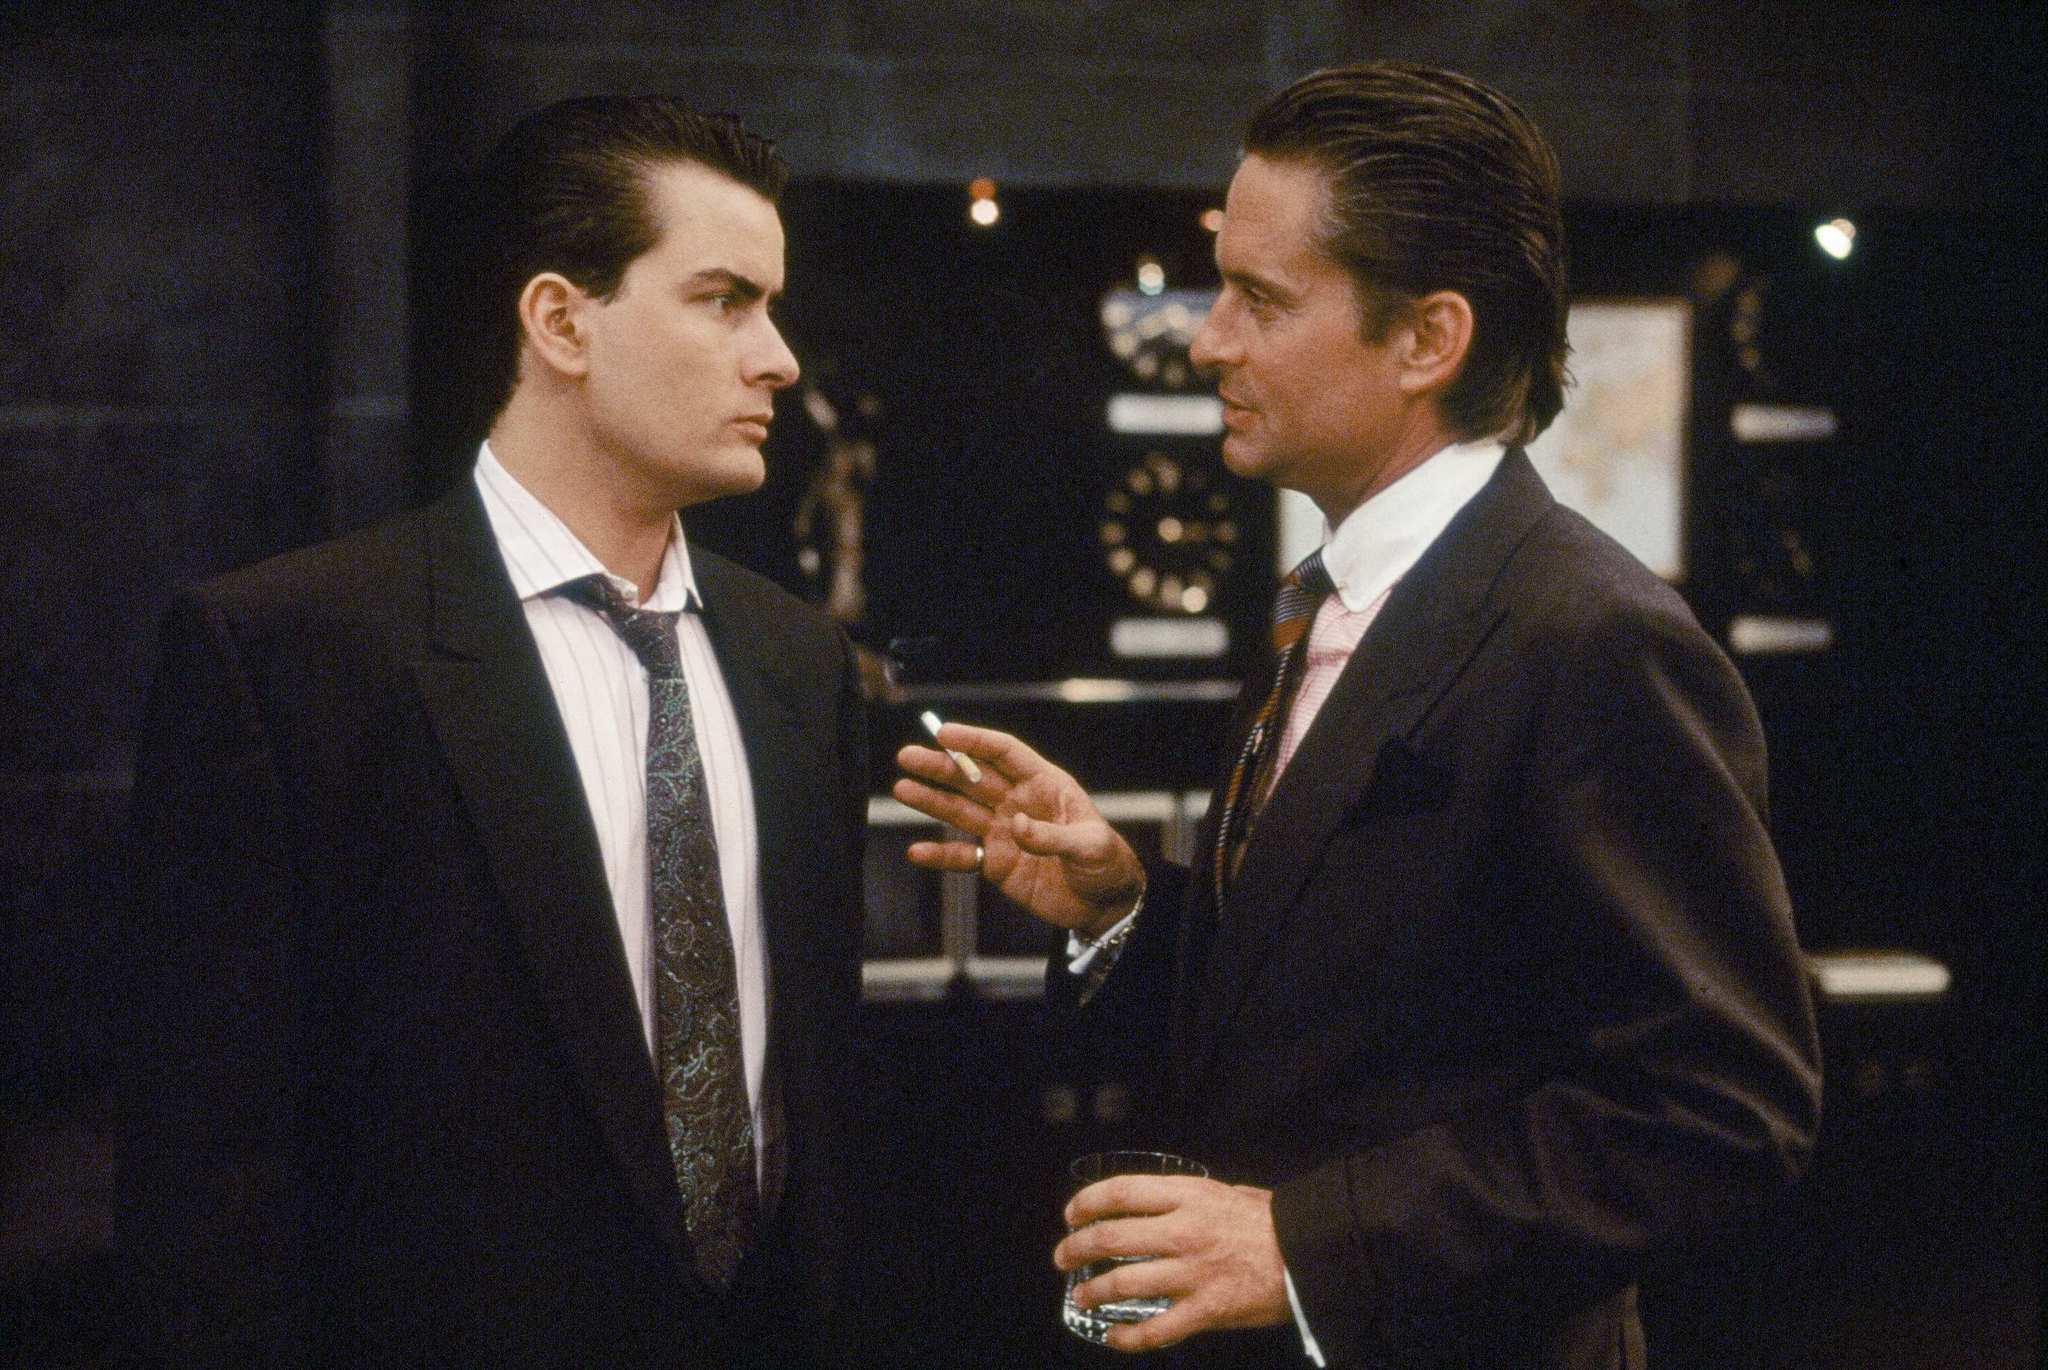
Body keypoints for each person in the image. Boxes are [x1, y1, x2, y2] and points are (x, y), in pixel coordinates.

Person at [894, 62, 1821, 1369]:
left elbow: (1718, 1108)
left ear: (1429, 340)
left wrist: (1303, 1246)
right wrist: (1121, 907)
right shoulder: (1324, 605)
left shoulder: (1593, 637)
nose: (1208, 340)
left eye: (1260, 299)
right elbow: (1339, 1016)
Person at [117, 97, 876, 1366]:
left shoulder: (798, 660)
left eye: (772, 305)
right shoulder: (292, 654)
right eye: (724, 300)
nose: (779, 358)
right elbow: (208, 1172)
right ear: (560, 322)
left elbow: (815, 1098)